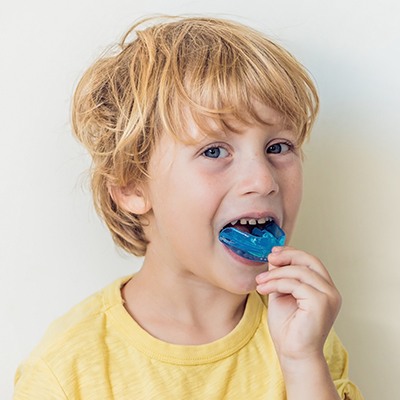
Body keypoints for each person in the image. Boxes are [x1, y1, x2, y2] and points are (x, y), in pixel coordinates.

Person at [14, 16, 364, 399]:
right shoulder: (67, 371)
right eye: (214, 151)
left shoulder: (303, 334)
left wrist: (302, 362)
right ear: (131, 186)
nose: (264, 181)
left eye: (277, 147)